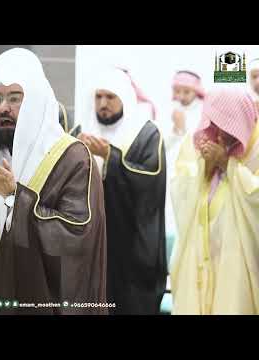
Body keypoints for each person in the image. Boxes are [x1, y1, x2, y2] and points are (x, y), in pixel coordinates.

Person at [0, 48, 108, 315]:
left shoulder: (73, 157)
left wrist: (17, 197)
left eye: (15, 99)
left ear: (35, 102)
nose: (4, 108)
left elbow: (78, 232)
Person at [77, 67, 167, 314]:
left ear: (124, 99)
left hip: (131, 250)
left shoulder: (146, 134)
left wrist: (110, 157)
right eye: (98, 97)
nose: (103, 104)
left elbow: (152, 183)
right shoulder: (81, 132)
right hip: (90, 246)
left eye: (110, 97)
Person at [170, 88, 259, 315]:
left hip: (237, 261)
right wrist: (205, 168)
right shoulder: (199, 143)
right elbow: (180, 185)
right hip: (198, 253)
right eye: (213, 121)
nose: (218, 130)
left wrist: (227, 164)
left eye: (227, 123)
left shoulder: (255, 149)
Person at [163, 70, 206, 264]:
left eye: (186, 92)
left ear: (196, 92)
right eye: (177, 91)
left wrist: (183, 128)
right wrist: (176, 129)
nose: (180, 96)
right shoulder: (168, 111)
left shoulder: (204, 113)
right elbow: (159, 146)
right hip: (168, 178)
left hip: (193, 179)